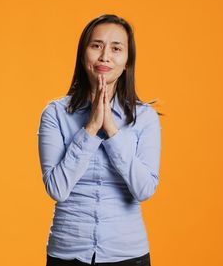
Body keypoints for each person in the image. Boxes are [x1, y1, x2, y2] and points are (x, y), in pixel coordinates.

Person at [37, 14, 162, 266]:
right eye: (96, 46)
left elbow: (144, 189)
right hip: (67, 252)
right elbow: (57, 189)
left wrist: (112, 130)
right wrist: (91, 127)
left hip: (127, 254)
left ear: (127, 61)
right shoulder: (55, 114)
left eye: (116, 48)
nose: (105, 56)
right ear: (83, 55)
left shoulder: (145, 118)